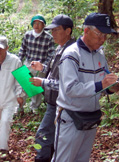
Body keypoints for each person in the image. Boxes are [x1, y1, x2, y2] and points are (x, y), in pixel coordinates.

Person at [52, 13, 119, 162]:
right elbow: (70, 89)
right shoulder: (71, 54)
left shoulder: (99, 53)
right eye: (100, 34)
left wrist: (111, 87)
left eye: (106, 35)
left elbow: (103, 82)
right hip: (71, 118)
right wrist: (101, 84)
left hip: (91, 118)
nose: (103, 39)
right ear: (86, 31)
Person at [30, 14, 75, 162]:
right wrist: (42, 67)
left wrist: (42, 82)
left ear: (68, 31)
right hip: (54, 102)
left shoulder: (72, 52)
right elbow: (54, 72)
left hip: (61, 104)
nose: (52, 33)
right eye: (52, 30)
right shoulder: (60, 48)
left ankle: (42, 159)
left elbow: (65, 83)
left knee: (42, 135)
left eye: (56, 30)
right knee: (53, 137)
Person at [18, 14, 55, 113]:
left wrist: (45, 65)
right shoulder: (27, 35)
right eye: (35, 23)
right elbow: (23, 49)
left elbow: (51, 53)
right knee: (23, 84)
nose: (37, 25)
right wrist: (18, 61)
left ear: (43, 25)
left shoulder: (48, 37)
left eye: (39, 23)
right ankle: (19, 107)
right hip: (28, 63)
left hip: (40, 65)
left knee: (37, 86)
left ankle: (34, 107)